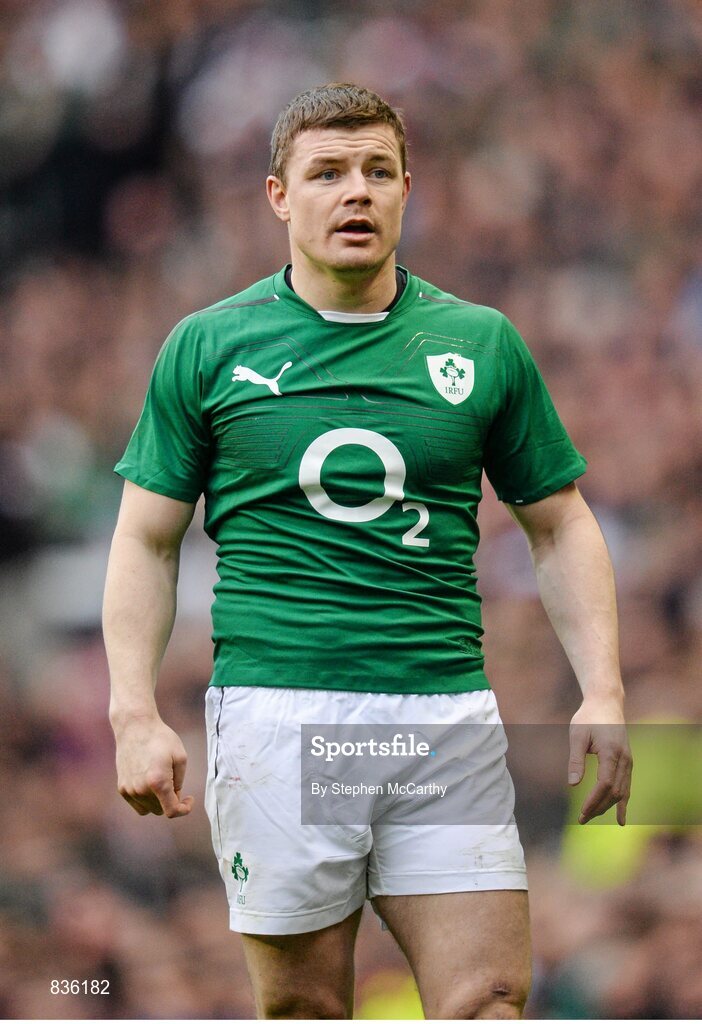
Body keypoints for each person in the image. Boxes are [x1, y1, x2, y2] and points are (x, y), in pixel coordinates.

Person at [103, 83, 632, 1020]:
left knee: (493, 1001)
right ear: (279, 197)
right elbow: (146, 541)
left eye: (378, 172)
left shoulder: (479, 342)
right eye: (328, 173)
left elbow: (559, 522)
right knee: (305, 1011)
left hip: (441, 712)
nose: (357, 192)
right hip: (278, 714)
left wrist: (603, 688)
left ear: (406, 189)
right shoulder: (208, 347)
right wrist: (132, 712)